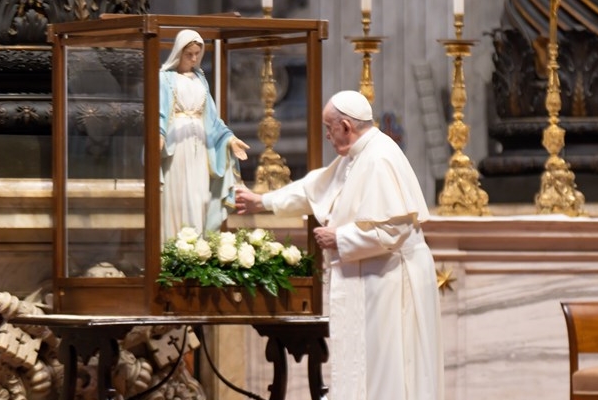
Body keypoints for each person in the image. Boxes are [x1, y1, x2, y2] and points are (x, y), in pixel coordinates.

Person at [235, 90, 443, 400]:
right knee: (369, 367)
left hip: (393, 282)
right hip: (376, 279)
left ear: (345, 126)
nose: (328, 137)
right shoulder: (358, 154)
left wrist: (340, 238)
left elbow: (395, 227)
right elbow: (314, 189)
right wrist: (262, 201)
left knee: (390, 368)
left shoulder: (380, 157)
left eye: (329, 128)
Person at [159, 29, 250, 242]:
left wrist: (230, 139)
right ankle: (174, 245)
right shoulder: (165, 78)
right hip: (177, 145)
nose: (193, 58)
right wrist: (159, 135)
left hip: (200, 145)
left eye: (197, 54)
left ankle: (197, 244)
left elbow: (212, 118)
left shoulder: (200, 79)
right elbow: (160, 111)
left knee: (199, 196)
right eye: (188, 54)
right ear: (178, 52)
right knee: (178, 196)